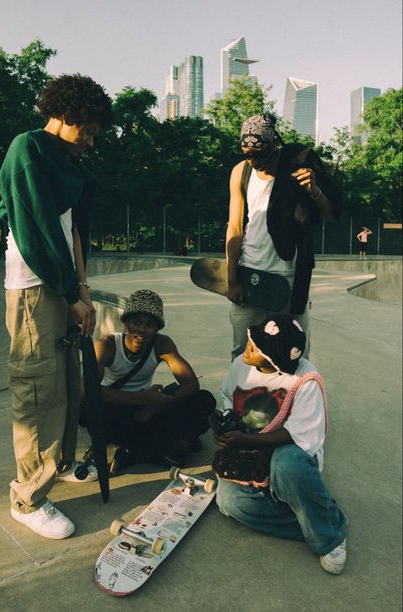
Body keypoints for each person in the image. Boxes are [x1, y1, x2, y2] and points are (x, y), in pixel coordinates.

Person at [0, 74, 112, 540]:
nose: (91, 140)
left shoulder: (73, 166)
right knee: (37, 389)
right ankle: (27, 496)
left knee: (65, 382)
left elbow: (73, 233)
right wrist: (66, 294)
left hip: (63, 286)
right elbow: (36, 231)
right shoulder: (29, 148)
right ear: (66, 115)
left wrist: (83, 292)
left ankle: (57, 464)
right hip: (34, 288)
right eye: (89, 129)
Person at [214, 314, 347, 575]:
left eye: (256, 347)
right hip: (249, 446)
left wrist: (246, 439)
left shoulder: (306, 380)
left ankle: (329, 538)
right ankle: (323, 519)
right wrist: (227, 427)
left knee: (287, 466)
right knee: (229, 502)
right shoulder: (240, 364)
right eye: (251, 340)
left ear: (276, 361)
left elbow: (299, 436)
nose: (248, 346)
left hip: (289, 448)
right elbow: (228, 397)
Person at [226, 114, 342, 360]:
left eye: (259, 153)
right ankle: (243, 397)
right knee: (242, 353)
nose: (253, 159)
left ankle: (296, 398)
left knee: (295, 354)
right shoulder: (240, 172)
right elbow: (234, 228)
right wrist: (232, 279)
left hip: (289, 278)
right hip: (251, 275)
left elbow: (331, 215)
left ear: (273, 145)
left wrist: (314, 190)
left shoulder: (296, 168)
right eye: (247, 152)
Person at [93, 289, 216, 473]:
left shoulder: (161, 344)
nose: (142, 330)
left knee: (204, 400)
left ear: (157, 328)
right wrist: (143, 399)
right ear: (126, 323)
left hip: (146, 408)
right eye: (136, 322)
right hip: (117, 407)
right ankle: (159, 448)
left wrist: (154, 406)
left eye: (149, 325)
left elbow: (191, 384)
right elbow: (89, 391)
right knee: (97, 416)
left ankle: (135, 450)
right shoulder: (107, 346)